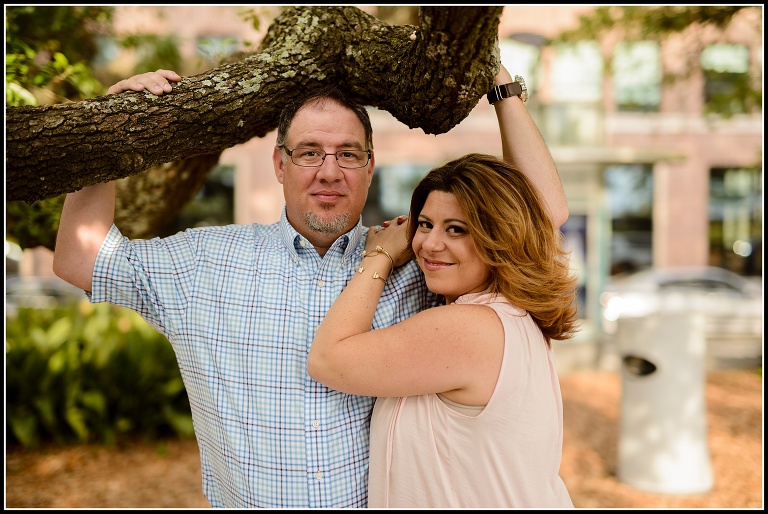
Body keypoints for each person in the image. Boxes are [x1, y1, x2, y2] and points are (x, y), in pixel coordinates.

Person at [52, 64, 569, 508]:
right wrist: (108, 131)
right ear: (279, 164)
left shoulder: (418, 258)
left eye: (348, 154)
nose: (329, 172)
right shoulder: (203, 262)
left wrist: (501, 86)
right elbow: (82, 257)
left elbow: (537, 218)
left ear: (370, 167)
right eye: (308, 153)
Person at [308, 152, 579, 508]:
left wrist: (379, 256)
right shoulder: (512, 315)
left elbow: (328, 359)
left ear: (501, 236)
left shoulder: (469, 328)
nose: (429, 245)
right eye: (424, 224)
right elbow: (546, 209)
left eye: (456, 229)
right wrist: (505, 96)